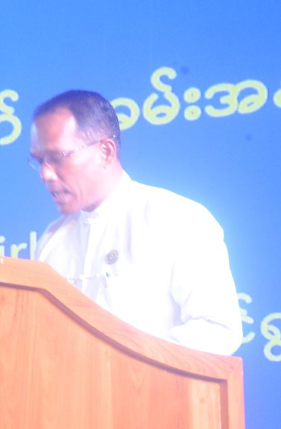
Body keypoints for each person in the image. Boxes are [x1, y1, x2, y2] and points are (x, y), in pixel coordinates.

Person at [30, 90, 243, 355]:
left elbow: (218, 330)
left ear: (105, 152)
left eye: (56, 158)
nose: (45, 174)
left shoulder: (176, 218)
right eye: (39, 161)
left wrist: (123, 359)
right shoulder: (51, 240)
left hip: (155, 382)